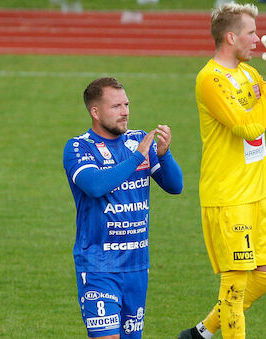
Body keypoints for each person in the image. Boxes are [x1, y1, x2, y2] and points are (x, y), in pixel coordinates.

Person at [177, 2, 266, 339]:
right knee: (234, 285)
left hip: (257, 194)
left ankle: (201, 333)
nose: (258, 39)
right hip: (228, 196)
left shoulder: (249, 74)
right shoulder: (210, 79)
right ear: (230, 36)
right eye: (251, 32)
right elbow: (248, 127)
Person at [63, 77, 183, 339]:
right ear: (95, 112)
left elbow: (176, 186)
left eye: (126, 104)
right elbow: (95, 186)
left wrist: (163, 154)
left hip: (136, 266)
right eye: (116, 106)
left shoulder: (139, 140)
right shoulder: (78, 147)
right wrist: (138, 157)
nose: (126, 111)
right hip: (98, 266)